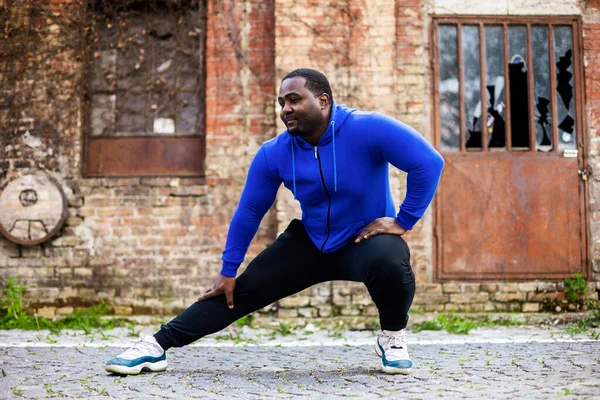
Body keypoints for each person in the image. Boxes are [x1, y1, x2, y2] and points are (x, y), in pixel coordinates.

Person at [105, 68, 444, 376]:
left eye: (294, 100)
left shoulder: (367, 129)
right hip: (309, 242)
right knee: (236, 292)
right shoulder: (274, 152)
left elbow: (428, 162)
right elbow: (250, 211)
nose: (285, 109)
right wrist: (228, 270)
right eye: (282, 102)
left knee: (391, 257)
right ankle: (155, 346)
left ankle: (393, 336)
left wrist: (404, 220)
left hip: (362, 241)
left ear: (323, 100)